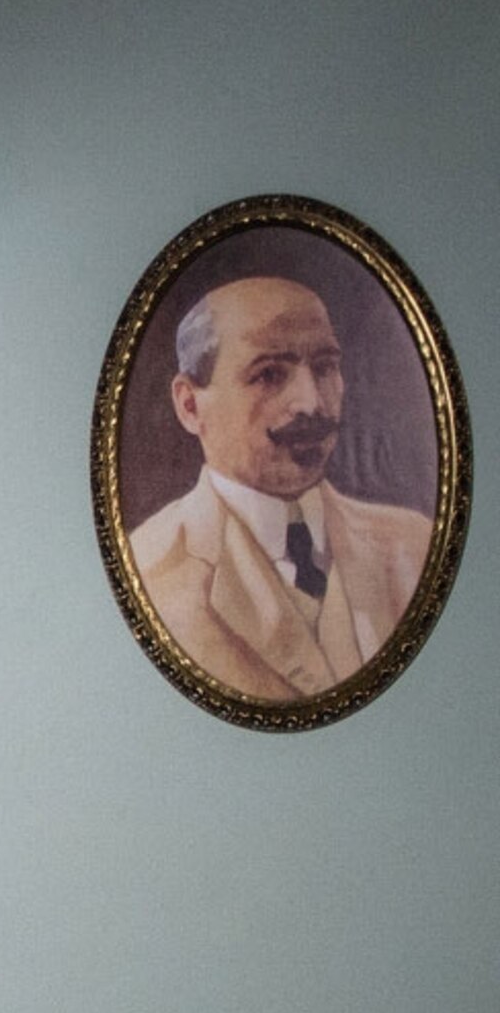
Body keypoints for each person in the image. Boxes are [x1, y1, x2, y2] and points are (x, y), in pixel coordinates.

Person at [127, 275, 433, 703]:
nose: (311, 403)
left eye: (324, 367)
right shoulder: (149, 576)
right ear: (190, 405)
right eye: (269, 374)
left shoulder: (414, 547)